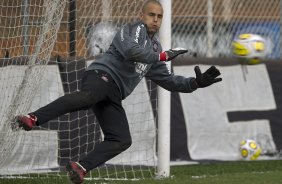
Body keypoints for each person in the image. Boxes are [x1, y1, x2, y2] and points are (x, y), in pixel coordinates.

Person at [16, 0, 222, 183]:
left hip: (114, 93)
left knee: (121, 139)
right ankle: (33, 118)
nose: (156, 20)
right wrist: (162, 56)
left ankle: (81, 167)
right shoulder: (133, 29)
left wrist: (195, 83)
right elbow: (132, 51)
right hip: (100, 75)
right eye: (152, 15)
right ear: (142, 16)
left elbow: (168, 80)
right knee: (89, 97)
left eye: (160, 16)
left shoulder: (155, 47)